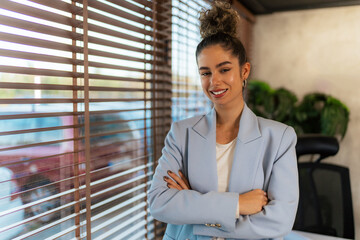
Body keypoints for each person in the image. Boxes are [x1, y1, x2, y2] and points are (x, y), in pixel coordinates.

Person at [148, 1, 299, 239]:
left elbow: (279, 220)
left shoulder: (279, 138)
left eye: (224, 69)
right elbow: (159, 202)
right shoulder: (181, 133)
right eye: (205, 72)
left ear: (244, 71)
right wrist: (237, 205)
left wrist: (193, 205)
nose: (214, 82)